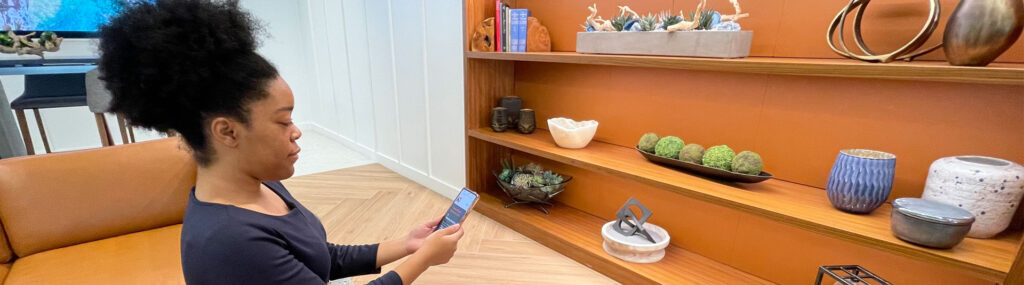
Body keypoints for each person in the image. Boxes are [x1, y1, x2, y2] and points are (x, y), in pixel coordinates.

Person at [97, 0, 464, 284]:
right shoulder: (231, 242)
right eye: (283, 120)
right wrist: (423, 260)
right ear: (227, 132)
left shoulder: (261, 185)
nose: (297, 131)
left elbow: (320, 258)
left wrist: (408, 244)